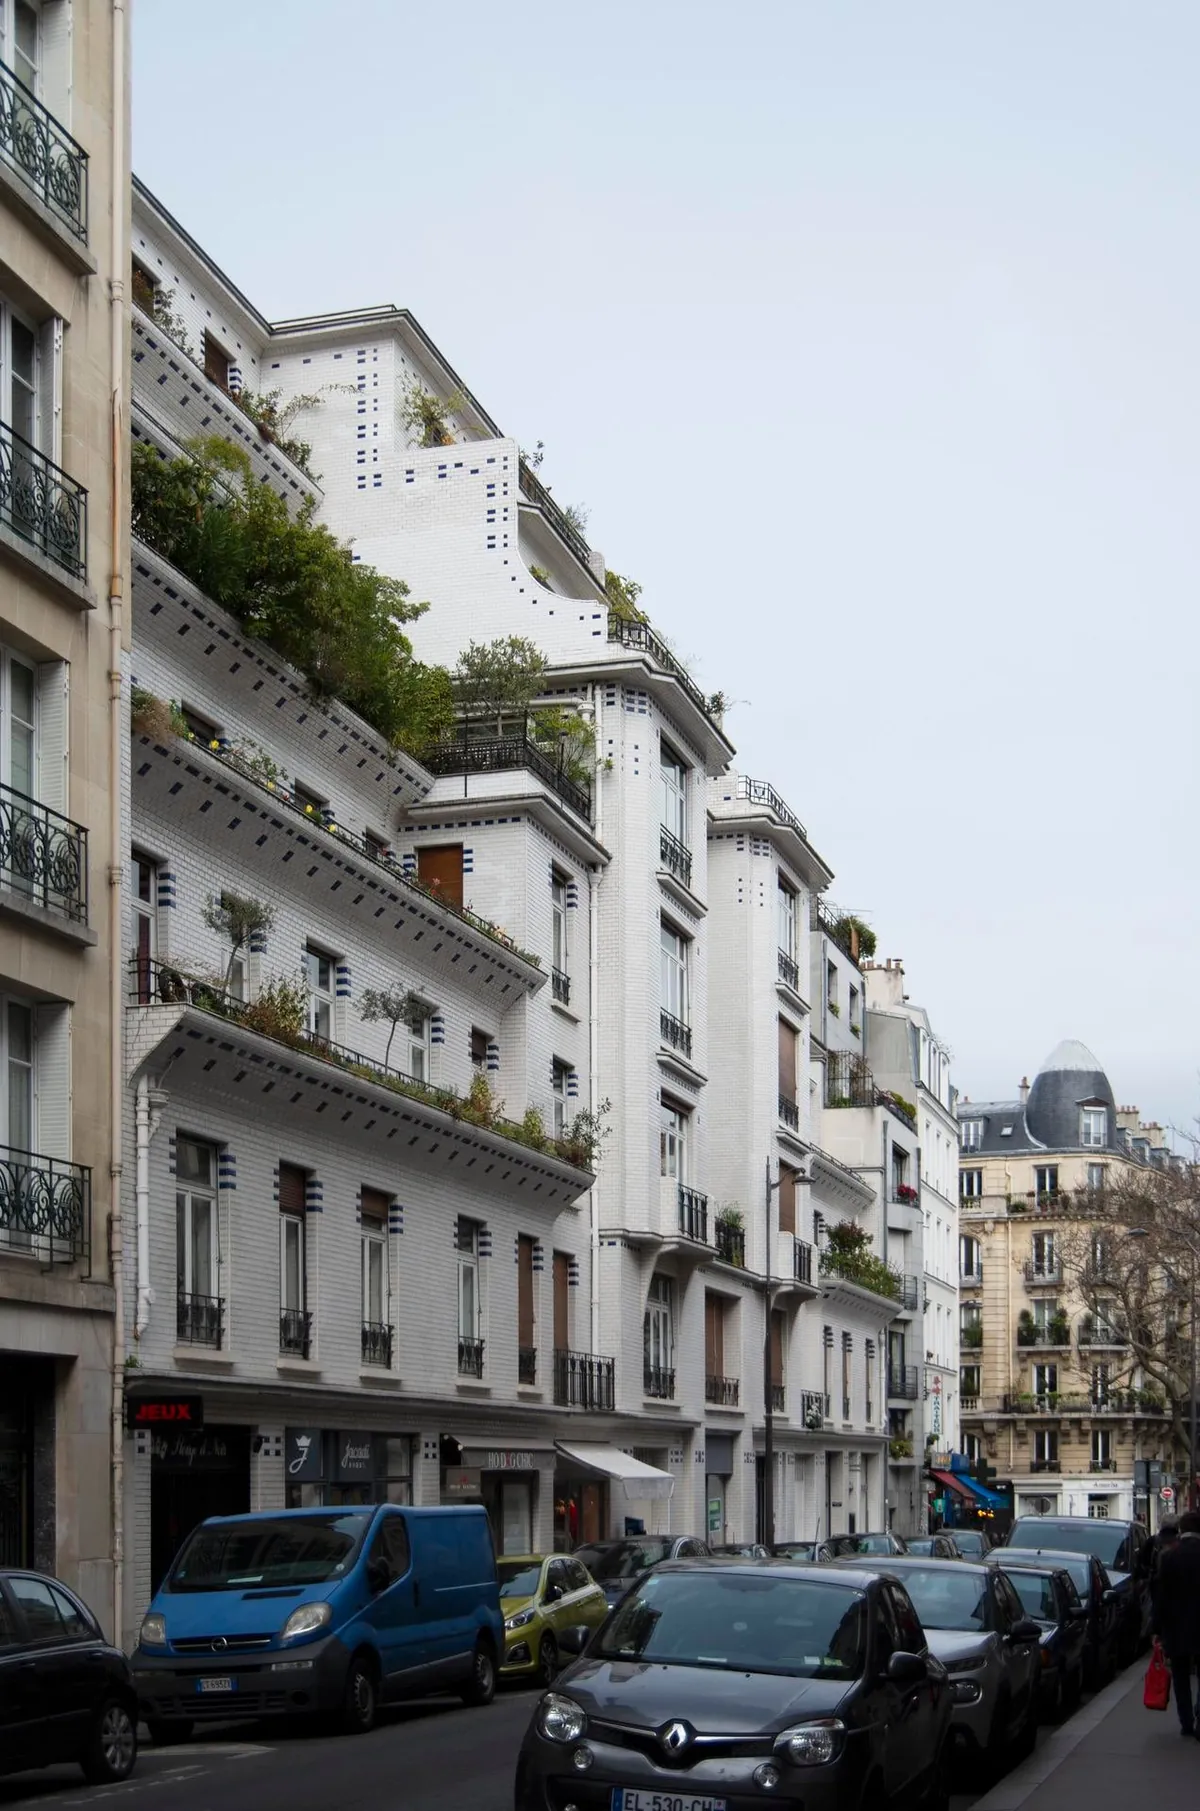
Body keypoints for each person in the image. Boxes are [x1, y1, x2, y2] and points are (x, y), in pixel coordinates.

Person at [1152, 1509, 1200, 1738]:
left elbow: (1161, 1596)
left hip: (1177, 1627)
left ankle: (1187, 1722)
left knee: (1181, 1676)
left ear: (1181, 1530)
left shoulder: (1170, 1557)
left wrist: (1157, 1630)